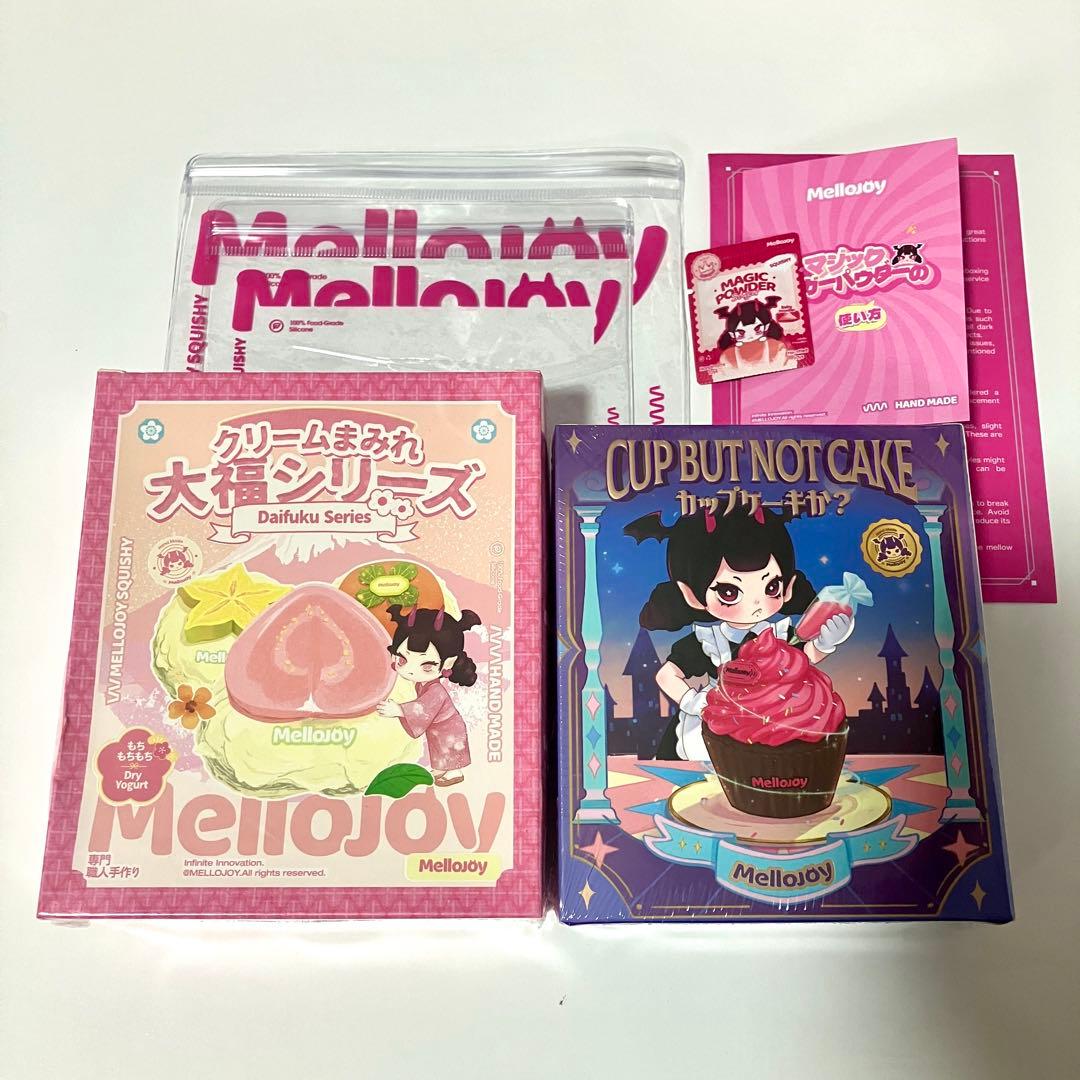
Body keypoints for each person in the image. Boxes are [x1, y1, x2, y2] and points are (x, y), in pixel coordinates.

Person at [624, 505, 855, 760]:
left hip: (777, 717)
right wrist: (693, 701)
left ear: (788, 587)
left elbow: (804, 658)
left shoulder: (781, 634)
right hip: (720, 720)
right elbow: (666, 675)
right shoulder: (708, 641)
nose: (755, 604)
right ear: (691, 595)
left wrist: (825, 642)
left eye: (771, 587)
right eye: (729, 592)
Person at [375, 606, 480, 786]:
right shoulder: (423, 684)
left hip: (449, 729)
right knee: (439, 748)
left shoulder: (436, 691)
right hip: (438, 727)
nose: (410, 670)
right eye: (403, 660)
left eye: (427, 666)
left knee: (449, 748)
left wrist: (399, 710)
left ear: (448, 663)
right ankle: (441, 768)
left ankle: (454, 772)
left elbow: (422, 708)